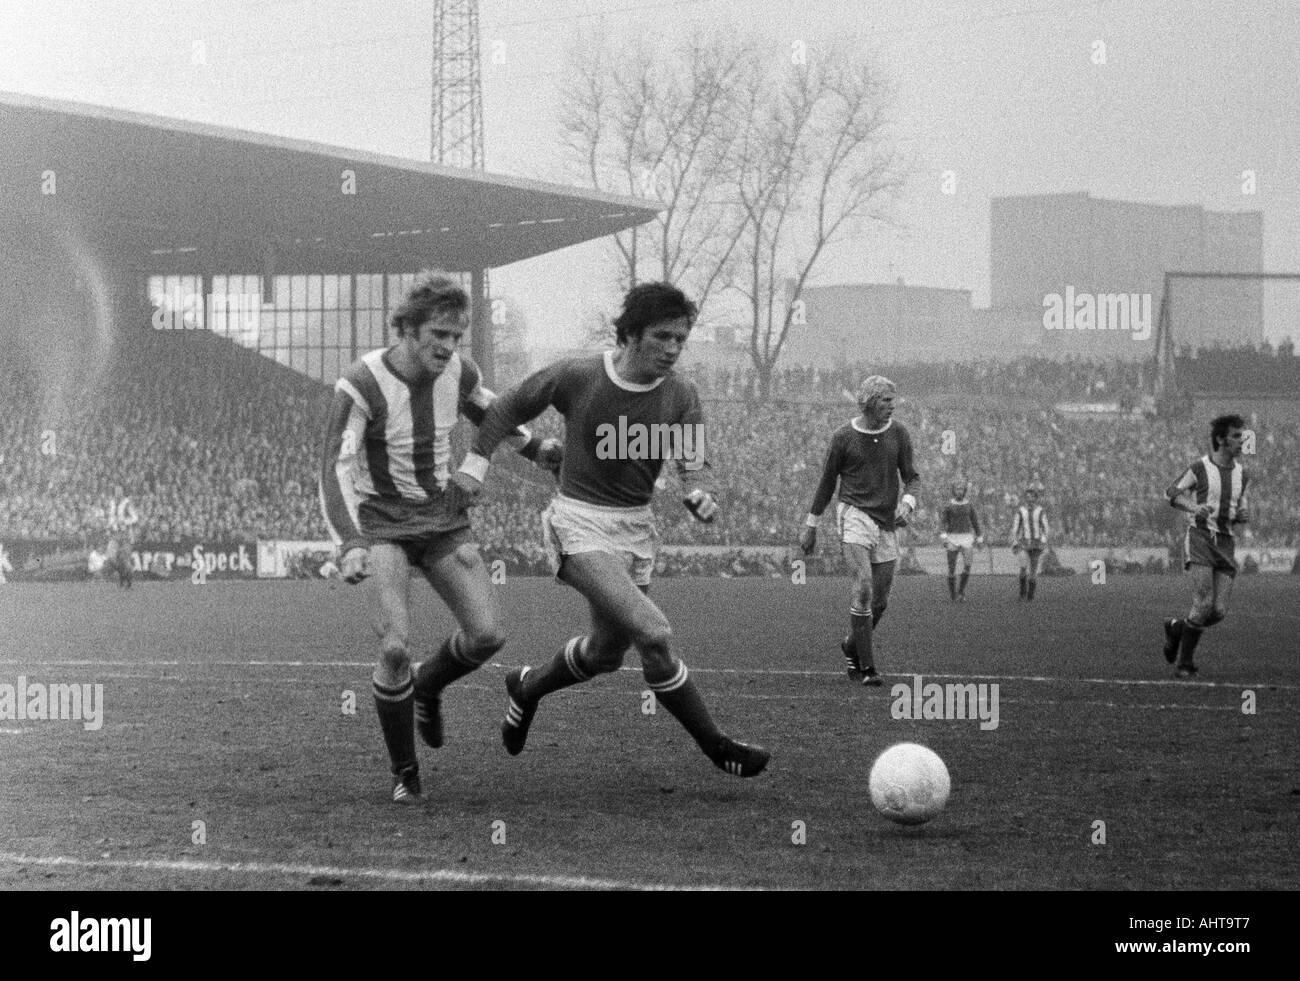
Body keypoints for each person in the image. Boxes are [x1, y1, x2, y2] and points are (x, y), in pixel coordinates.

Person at [455, 281, 769, 778]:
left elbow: (694, 462)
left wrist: (700, 491)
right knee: (655, 633)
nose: (672, 349)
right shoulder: (577, 376)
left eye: (680, 340)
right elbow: (506, 408)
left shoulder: (681, 394)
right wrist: (477, 460)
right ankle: (716, 747)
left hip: (637, 529)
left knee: (604, 654)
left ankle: (527, 687)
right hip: (578, 523)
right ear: (630, 334)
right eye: (662, 337)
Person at [318, 270, 561, 804]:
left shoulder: (459, 371)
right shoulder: (361, 382)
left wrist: (536, 449)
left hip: (444, 519)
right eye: (439, 336)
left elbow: (493, 411)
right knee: (396, 646)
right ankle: (405, 772)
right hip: (383, 526)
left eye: (456, 337)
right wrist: (351, 542)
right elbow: (333, 467)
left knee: (488, 636)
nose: (449, 348)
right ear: (407, 329)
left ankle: (429, 687)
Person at [799, 376, 919, 686]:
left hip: (886, 522)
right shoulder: (843, 437)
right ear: (867, 402)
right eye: (884, 400)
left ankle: (852, 645)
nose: (891, 406)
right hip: (853, 515)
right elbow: (827, 483)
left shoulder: (899, 433)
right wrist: (811, 525)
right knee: (863, 585)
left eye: (893, 400)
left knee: (879, 602)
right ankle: (867, 668)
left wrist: (908, 503)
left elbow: (912, 477)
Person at [1160, 414, 1250, 678]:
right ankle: (1184, 665)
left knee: (1218, 611)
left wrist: (1242, 515)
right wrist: (1194, 507)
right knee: (1203, 603)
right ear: (1221, 439)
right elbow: (1170, 494)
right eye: (1236, 436)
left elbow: (1239, 507)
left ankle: (1176, 628)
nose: (1241, 441)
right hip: (1200, 537)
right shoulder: (1200, 467)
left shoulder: (1244, 474)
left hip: (1226, 542)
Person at [940, 478, 983, 601]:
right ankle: (953, 594)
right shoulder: (949, 505)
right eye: (957, 489)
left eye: (962, 489)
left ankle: (961, 591)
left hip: (966, 537)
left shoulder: (969, 505)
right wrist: (943, 536)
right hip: (952, 538)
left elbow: (975, 522)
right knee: (951, 568)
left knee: (968, 565)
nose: (959, 491)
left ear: (964, 491)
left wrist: (979, 538)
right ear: (954, 491)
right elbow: (943, 522)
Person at [1010, 480, 1049, 600]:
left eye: (1031, 496)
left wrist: (1043, 539)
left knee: (1033, 570)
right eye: (1027, 497)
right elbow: (1015, 527)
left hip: (1036, 543)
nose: (1029, 499)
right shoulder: (1021, 511)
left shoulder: (1040, 511)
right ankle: (1022, 592)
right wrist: (1015, 540)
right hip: (1024, 542)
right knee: (1023, 566)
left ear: (1035, 498)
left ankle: (1030, 595)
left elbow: (1046, 527)